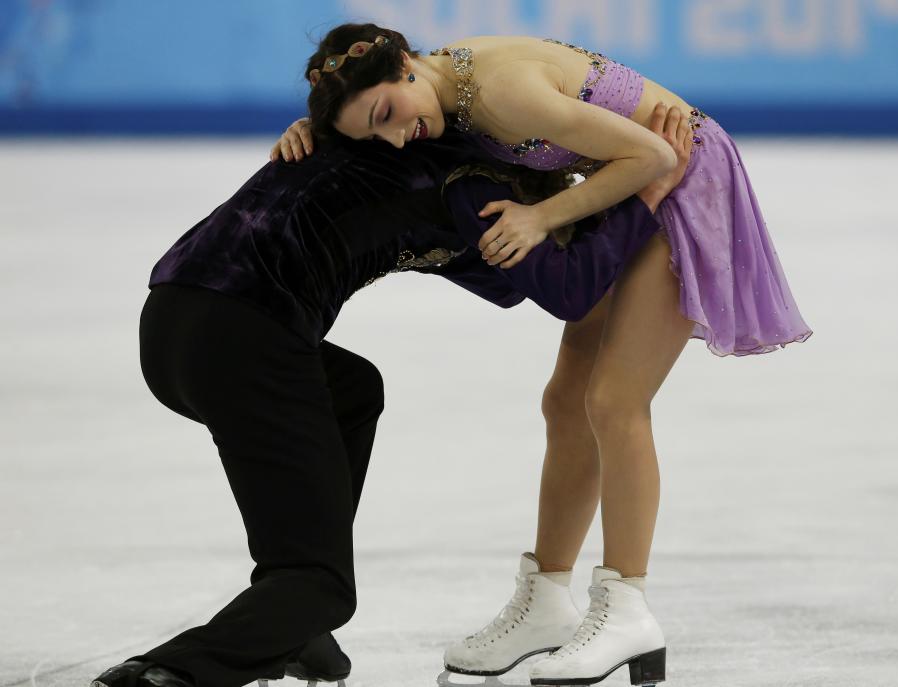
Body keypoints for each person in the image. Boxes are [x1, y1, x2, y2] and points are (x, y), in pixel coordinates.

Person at [273, 23, 813, 686]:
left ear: (406, 65)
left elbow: (653, 156)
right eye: (372, 134)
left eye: (387, 115)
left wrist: (542, 217)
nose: (393, 136)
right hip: (626, 184)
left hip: (679, 178)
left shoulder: (503, 92)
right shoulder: (435, 88)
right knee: (566, 401)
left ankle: (628, 607)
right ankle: (548, 600)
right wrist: (311, 134)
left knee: (615, 400)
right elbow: (366, 113)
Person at [89, 97, 691, 687]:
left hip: (170, 326)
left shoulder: (395, 137)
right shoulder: (476, 186)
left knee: (351, 390)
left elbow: (505, 284)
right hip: (246, 344)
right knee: (320, 587)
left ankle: (296, 633)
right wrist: (642, 197)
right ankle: (168, 671)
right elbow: (571, 291)